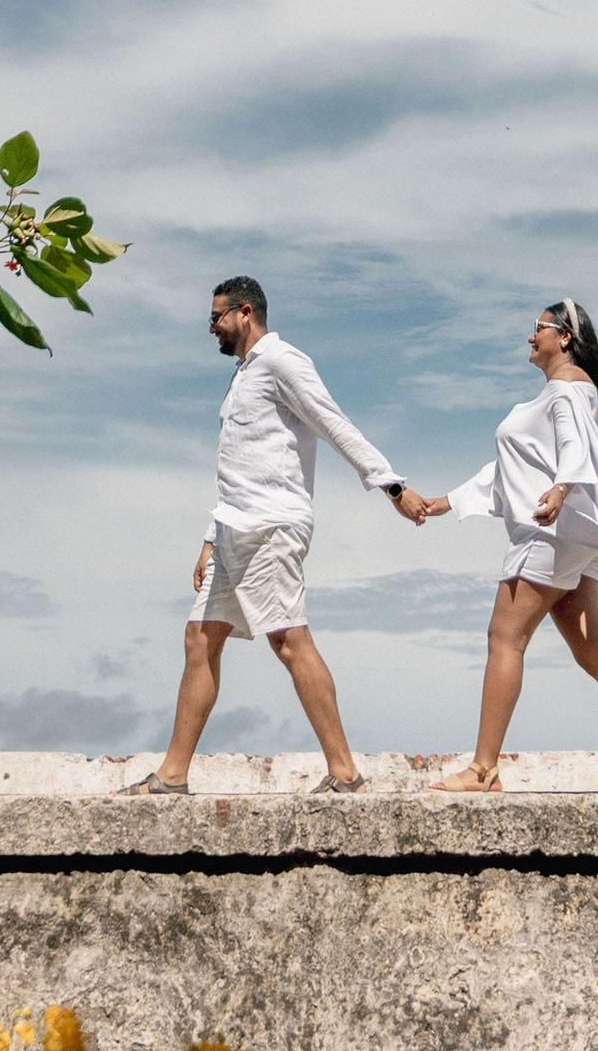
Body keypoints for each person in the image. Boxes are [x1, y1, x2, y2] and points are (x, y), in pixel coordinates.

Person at [123, 273, 423, 795]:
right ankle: (172, 776)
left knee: (287, 640)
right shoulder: (244, 374)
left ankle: (345, 772)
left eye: (216, 317)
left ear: (244, 313)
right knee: (200, 638)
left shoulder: (283, 361)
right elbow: (238, 462)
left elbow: (334, 423)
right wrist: (210, 537)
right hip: (234, 526)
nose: (210, 327)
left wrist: (392, 486)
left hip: (272, 525)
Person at [405, 298, 598, 794]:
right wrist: (448, 501)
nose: (530, 336)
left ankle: (483, 770)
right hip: (573, 531)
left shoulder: (566, 387)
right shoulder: (565, 391)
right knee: (597, 654)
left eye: (538, 328)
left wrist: (559, 489)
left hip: (551, 529)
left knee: (504, 637)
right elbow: (518, 466)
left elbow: (573, 445)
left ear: (564, 338)